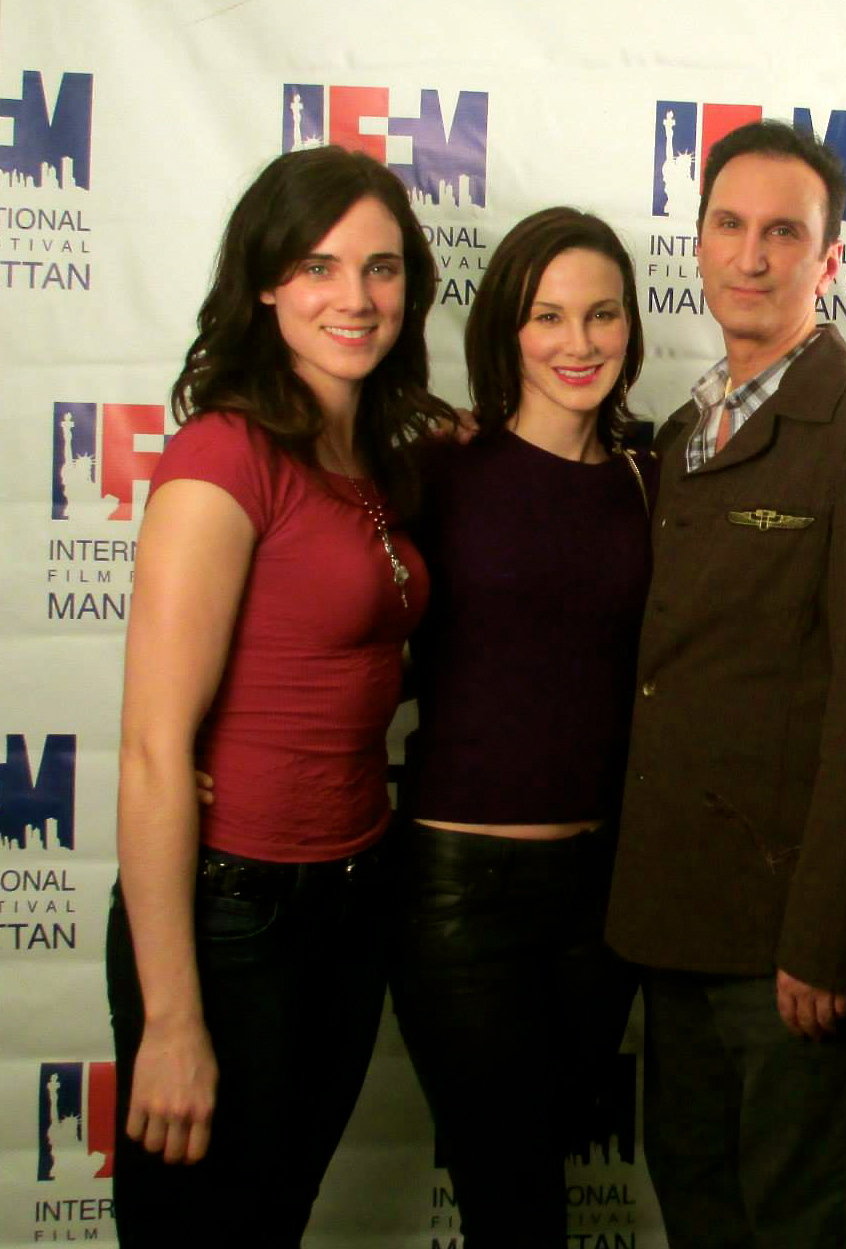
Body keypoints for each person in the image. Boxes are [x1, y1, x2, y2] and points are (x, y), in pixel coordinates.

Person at [603, 119, 846, 1249]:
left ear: (829, 260)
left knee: (797, 1226)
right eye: (730, 226)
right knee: (698, 1212)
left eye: (784, 233)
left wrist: (827, 932)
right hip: (672, 928)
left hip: (788, 953)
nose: (751, 257)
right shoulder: (679, 430)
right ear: (697, 244)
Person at [104, 146, 456, 1247]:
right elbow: (157, 749)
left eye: (382, 269)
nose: (356, 297)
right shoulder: (223, 456)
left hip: (352, 897)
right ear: (265, 281)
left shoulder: (374, 459)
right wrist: (171, 1020)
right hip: (234, 912)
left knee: (274, 1219)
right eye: (319, 266)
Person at [387, 207, 653, 1247]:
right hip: (460, 893)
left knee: (548, 1166)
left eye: (601, 315)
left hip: (602, 899)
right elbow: (320, 616)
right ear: (505, 328)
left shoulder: (651, 480)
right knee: (511, 1198)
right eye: (548, 316)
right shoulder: (434, 472)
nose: (578, 342)